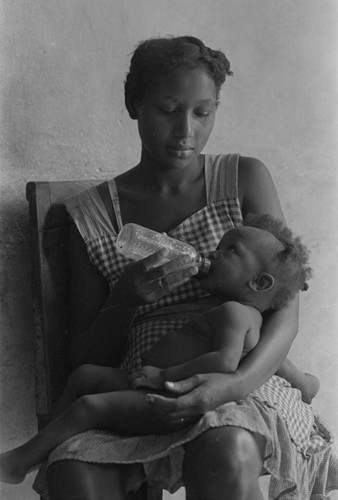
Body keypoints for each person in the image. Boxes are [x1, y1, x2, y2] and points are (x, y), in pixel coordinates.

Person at [27, 36, 336, 500]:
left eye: (202, 112)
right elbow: (83, 356)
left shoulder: (243, 178)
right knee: (74, 471)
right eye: (168, 110)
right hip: (144, 387)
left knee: (224, 444)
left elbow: (284, 307)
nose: (185, 131)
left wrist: (232, 384)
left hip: (241, 382)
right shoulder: (90, 218)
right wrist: (125, 298)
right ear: (135, 105)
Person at [0, 214, 319, 486]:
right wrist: (306, 384)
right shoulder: (248, 318)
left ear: (260, 283)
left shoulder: (234, 314)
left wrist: (164, 375)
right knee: (85, 376)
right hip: (152, 381)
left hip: (171, 396)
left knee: (88, 406)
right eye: (219, 246)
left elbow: (224, 362)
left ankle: (21, 462)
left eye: (231, 251)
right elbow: (279, 363)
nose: (214, 253)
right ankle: (46, 446)